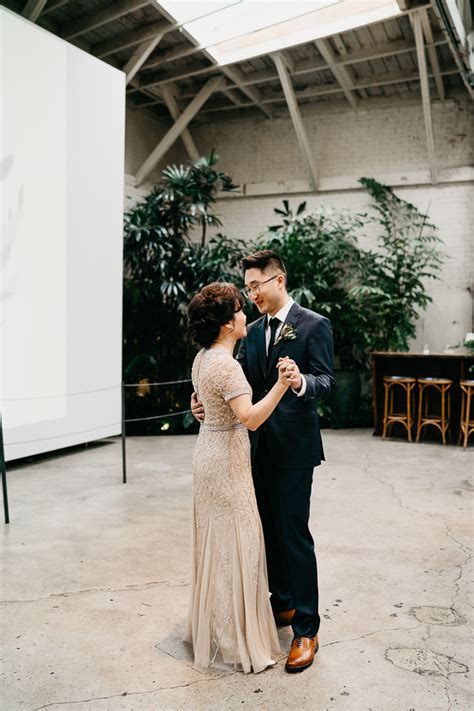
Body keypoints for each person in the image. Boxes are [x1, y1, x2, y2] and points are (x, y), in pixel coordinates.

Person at [192, 250, 335, 673]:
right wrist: (201, 401)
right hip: (248, 451)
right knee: (267, 533)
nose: (251, 293)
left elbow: (327, 381)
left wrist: (301, 381)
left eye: (256, 285)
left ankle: (307, 629)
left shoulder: (313, 324)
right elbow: (232, 384)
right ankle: (283, 605)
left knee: (293, 536)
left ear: (279, 280)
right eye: (247, 287)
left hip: (294, 452)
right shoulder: (249, 331)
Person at [185, 281, 297, 673]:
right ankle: (237, 638)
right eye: (238, 308)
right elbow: (249, 418)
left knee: (220, 544)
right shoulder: (225, 364)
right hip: (227, 462)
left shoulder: (203, 359)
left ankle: (218, 627)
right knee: (240, 543)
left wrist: (199, 404)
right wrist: (283, 385)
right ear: (227, 323)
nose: (245, 311)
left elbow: (202, 397)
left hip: (208, 454)